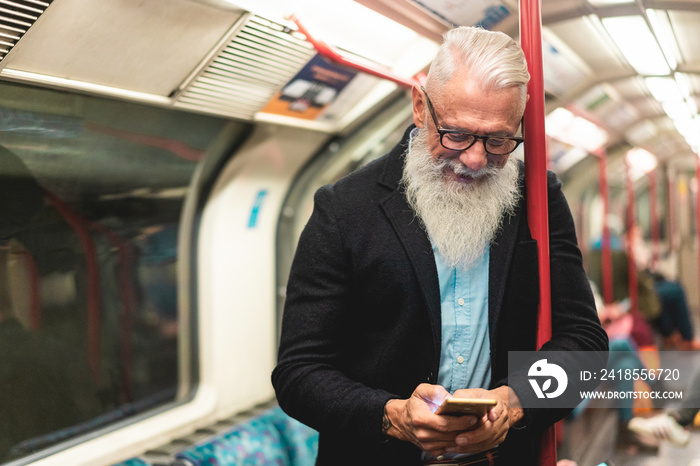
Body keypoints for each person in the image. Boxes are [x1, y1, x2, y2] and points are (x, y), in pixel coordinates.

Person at [272, 26, 608, 466]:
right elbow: (300, 373)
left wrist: (515, 400)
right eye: (456, 134)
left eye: (498, 140)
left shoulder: (538, 201)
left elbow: (585, 345)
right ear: (419, 107)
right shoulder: (344, 209)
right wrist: (393, 417)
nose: (475, 159)